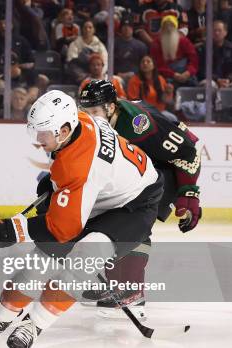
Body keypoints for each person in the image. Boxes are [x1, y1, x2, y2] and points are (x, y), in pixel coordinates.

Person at [0, 90, 163, 348]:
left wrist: (12, 229)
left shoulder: (80, 165)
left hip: (134, 205)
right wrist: (57, 185)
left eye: (43, 132)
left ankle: (34, 324)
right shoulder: (77, 123)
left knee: (87, 255)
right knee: (42, 259)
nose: (38, 140)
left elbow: (63, 229)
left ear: (64, 129)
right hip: (101, 192)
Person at [78, 79, 201, 317]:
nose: (90, 117)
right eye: (86, 112)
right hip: (136, 170)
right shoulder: (98, 123)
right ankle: (113, 285)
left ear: (111, 108)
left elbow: (187, 151)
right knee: (106, 219)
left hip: (162, 171)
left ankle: (132, 290)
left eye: (95, 112)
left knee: (136, 223)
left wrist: (189, 194)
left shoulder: (138, 124)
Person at [150, 15, 198, 87]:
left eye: (171, 26)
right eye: (166, 26)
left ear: (176, 28)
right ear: (162, 29)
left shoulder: (184, 41)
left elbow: (194, 60)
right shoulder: (156, 44)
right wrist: (174, 75)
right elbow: (158, 65)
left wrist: (188, 72)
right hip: (167, 77)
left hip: (186, 75)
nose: (169, 29)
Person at [197, 20, 232, 89]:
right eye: (214, 30)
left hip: (229, 81)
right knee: (209, 85)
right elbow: (202, 70)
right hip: (211, 80)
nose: (217, 33)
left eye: (219, 30)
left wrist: (228, 80)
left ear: (225, 33)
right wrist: (217, 80)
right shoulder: (203, 48)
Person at [114, 16, 149, 83]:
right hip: (117, 76)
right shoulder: (113, 44)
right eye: (124, 27)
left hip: (136, 76)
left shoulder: (141, 46)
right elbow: (109, 62)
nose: (127, 29)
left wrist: (136, 74)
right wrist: (117, 73)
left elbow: (144, 64)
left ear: (132, 29)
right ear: (121, 29)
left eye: (129, 27)